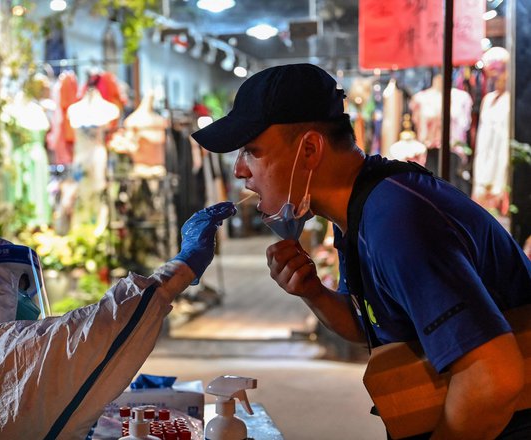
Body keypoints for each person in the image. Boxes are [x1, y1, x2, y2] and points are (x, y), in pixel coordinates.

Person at [191, 63, 531, 439]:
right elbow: (370, 325)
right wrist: (313, 292)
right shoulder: (359, 210)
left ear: (309, 149)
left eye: (252, 151)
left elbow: (493, 377)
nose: (239, 170)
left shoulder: (397, 220)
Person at [0, 202, 236, 439]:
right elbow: (106, 325)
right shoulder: (6, 357)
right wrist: (183, 265)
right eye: (19, 287)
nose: (28, 303)